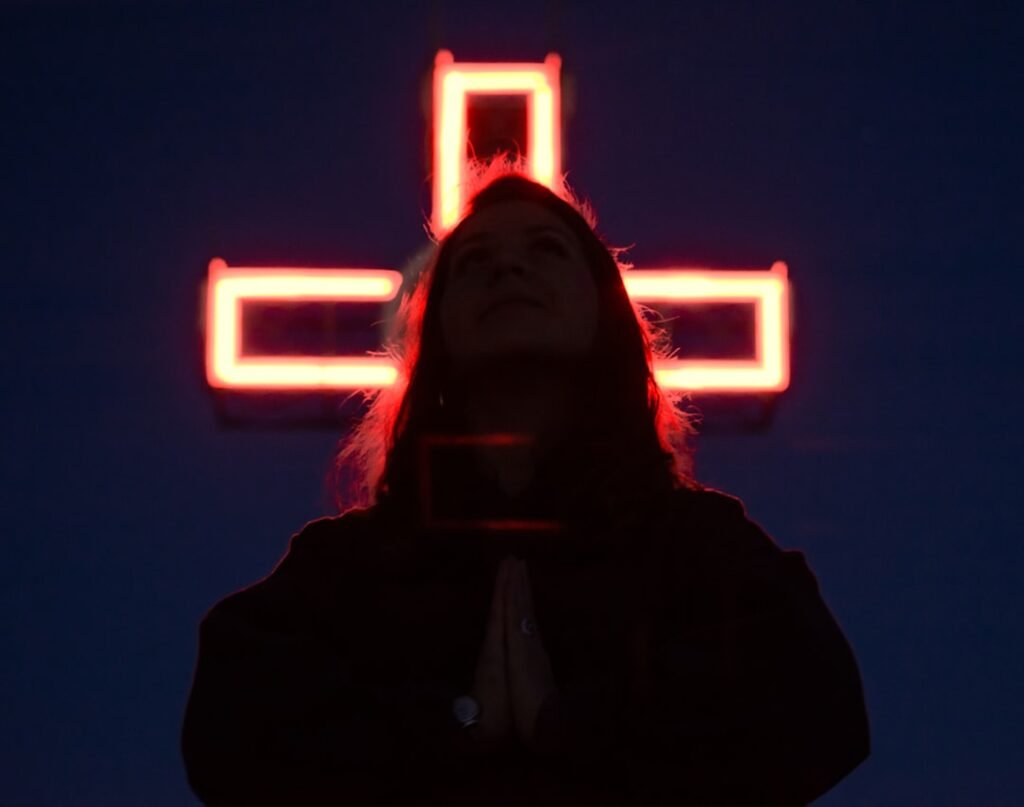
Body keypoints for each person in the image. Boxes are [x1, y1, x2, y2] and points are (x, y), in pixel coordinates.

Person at [181, 160, 871, 805]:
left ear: (602, 306)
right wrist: (455, 722)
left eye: (547, 249)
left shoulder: (700, 549)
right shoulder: (351, 567)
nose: (509, 267)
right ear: (438, 327)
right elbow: (228, 733)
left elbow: (819, 710)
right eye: (474, 262)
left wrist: (568, 723)